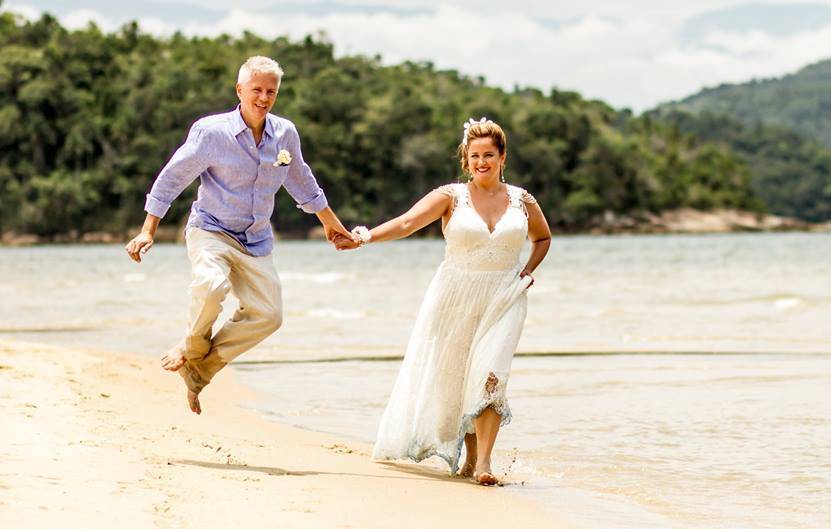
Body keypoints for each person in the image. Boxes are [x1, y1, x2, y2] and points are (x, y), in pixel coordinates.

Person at [124, 55, 355, 415]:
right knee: (211, 284)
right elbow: (172, 177)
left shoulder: (285, 133)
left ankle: (200, 369)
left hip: (256, 239)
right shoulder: (211, 132)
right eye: (257, 90)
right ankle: (190, 347)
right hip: (211, 229)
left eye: (271, 91)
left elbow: (302, 181)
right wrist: (147, 230)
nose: (264, 98)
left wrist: (330, 223)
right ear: (240, 90)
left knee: (269, 315)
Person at [341, 117, 551, 485]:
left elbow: (543, 238)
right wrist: (364, 237)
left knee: (491, 373)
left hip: (504, 296)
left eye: (489, 154)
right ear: (465, 160)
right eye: (474, 156)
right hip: (454, 296)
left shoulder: (522, 199)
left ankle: (485, 462)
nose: (482, 162)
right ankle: (469, 459)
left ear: (503, 157)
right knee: (456, 379)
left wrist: (527, 272)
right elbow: (407, 223)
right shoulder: (450, 196)